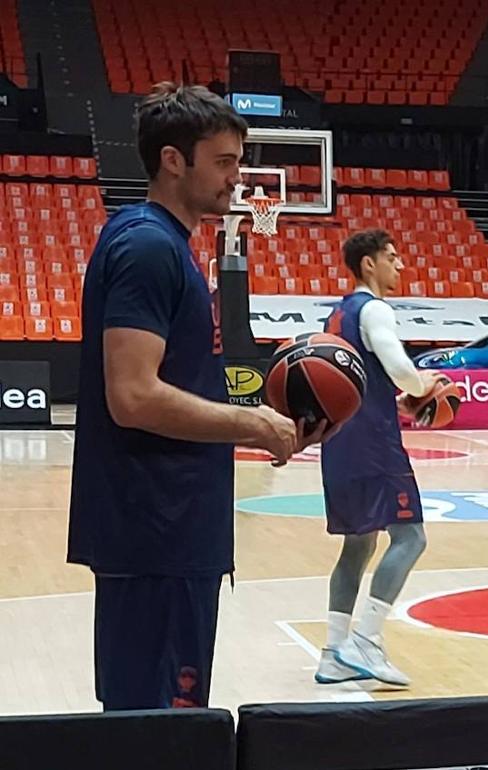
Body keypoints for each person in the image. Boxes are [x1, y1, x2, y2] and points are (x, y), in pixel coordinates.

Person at [67, 83, 321, 711]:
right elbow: (132, 395)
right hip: (154, 530)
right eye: (225, 161)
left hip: (171, 530)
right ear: (173, 160)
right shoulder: (148, 246)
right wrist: (251, 424)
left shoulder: (167, 244)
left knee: (163, 724)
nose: (238, 178)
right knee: (154, 730)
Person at [315, 229, 443, 688]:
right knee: (411, 538)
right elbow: (401, 368)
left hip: (339, 440)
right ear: (368, 264)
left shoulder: (337, 313)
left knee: (358, 545)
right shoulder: (374, 308)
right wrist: (425, 386)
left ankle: (332, 653)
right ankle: (367, 640)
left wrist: (404, 389)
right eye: (392, 257)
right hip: (373, 441)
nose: (400, 265)